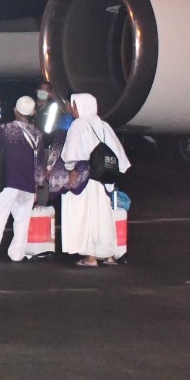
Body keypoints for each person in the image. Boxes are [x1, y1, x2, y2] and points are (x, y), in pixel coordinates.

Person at [60, 93, 130, 266]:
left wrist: (70, 169)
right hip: (104, 177)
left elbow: (70, 153)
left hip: (86, 176)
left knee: (86, 215)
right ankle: (108, 255)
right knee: (104, 215)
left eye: (74, 105)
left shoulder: (78, 125)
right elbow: (118, 151)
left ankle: (90, 257)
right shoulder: (103, 125)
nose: (72, 109)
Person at [0, 96, 45, 262]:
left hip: (7, 182)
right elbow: (39, 163)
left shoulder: (5, 129)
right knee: (22, 220)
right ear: (33, 113)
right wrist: (38, 185)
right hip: (27, 184)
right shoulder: (37, 134)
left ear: (15, 110)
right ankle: (17, 254)